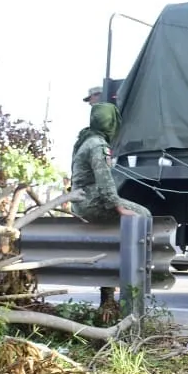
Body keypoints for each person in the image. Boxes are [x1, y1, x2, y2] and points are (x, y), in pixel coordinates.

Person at [70, 102, 151, 318]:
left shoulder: (85, 139)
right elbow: (105, 181)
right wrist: (118, 206)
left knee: (114, 239)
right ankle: (135, 280)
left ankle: (108, 296)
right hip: (91, 202)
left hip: (81, 201)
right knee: (143, 215)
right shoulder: (98, 145)